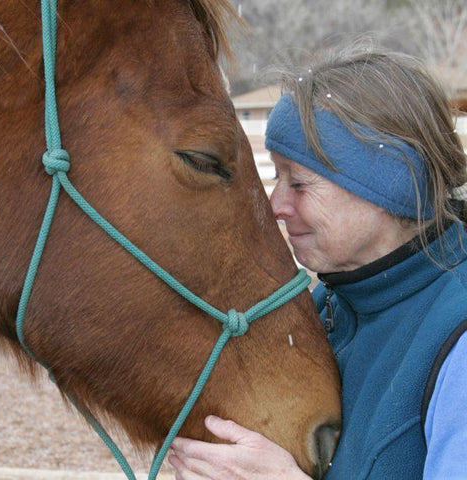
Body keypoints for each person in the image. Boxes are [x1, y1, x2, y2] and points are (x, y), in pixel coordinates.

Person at [168, 43, 467, 480]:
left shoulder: (457, 336)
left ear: (389, 186)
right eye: (277, 175)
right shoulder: (327, 301)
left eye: (300, 182)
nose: (276, 205)